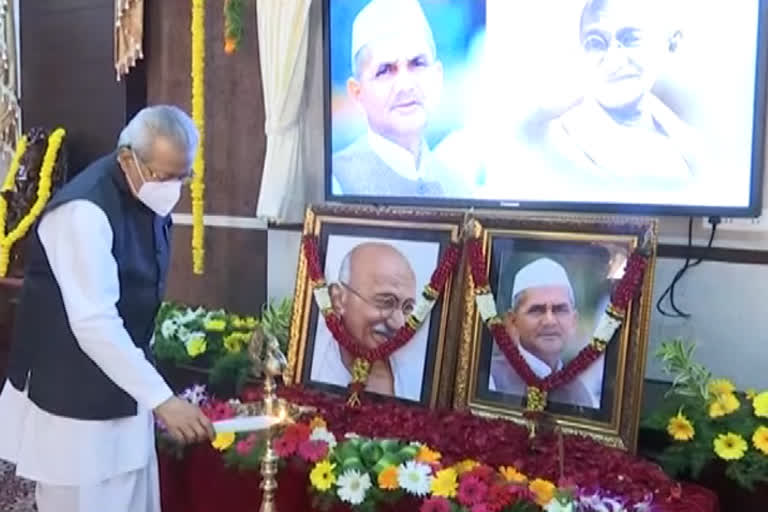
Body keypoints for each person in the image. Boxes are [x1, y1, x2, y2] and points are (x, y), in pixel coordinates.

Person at [0, 105, 215, 512]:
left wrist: (150, 390)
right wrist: (163, 399)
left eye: (182, 176)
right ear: (126, 158)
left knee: (131, 496)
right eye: (162, 175)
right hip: (70, 402)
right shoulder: (83, 211)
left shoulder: (144, 196)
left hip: (123, 391)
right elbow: (94, 321)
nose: (172, 187)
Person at [545, 0, 701, 188]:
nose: (613, 60)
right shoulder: (558, 143)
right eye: (596, 43)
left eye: (631, 40)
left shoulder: (690, 142)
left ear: (669, 44)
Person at [331, 0, 467, 198]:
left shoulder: (458, 186)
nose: (405, 85)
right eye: (385, 70)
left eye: (417, 64)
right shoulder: (337, 181)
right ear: (357, 94)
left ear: (438, 77)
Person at [310, 242, 427, 401]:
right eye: (386, 302)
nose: (399, 324)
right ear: (338, 300)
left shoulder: (416, 378)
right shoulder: (313, 367)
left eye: (407, 308)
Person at [489, 258, 598, 409]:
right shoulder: (492, 379)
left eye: (559, 309)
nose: (549, 321)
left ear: (574, 321)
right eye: (537, 310)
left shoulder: (585, 395)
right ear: (513, 321)